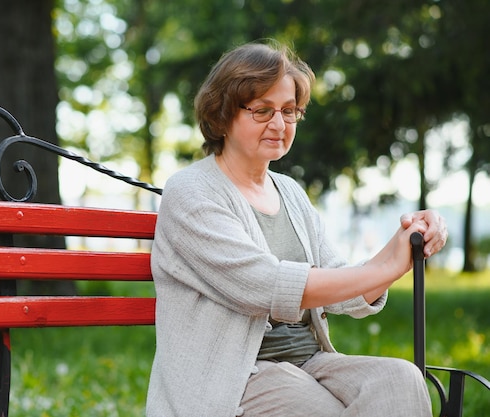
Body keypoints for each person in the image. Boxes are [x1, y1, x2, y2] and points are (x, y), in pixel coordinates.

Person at [145, 40, 448, 417]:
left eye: (289, 111)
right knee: (320, 408)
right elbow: (264, 285)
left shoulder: (289, 191)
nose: (279, 124)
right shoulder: (191, 192)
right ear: (221, 114)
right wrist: (383, 267)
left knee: (399, 380)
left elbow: (339, 286)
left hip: (310, 361)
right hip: (233, 377)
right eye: (262, 110)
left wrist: (405, 245)